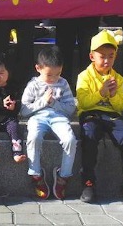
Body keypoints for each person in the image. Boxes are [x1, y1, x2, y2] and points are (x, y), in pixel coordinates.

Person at [76, 30, 123, 204]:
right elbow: (83, 103)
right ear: (92, 56)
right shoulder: (84, 77)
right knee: (89, 136)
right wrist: (101, 93)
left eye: (111, 56)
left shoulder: (118, 79)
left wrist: (114, 95)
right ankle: (88, 182)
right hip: (90, 114)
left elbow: (121, 106)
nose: (107, 61)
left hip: (112, 116)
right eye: (102, 56)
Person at [21, 45, 77, 201]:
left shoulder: (63, 83)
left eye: (58, 74)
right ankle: (36, 174)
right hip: (38, 117)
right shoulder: (33, 85)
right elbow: (24, 110)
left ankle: (63, 176)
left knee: (70, 140)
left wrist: (54, 103)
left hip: (59, 117)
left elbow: (70, 108)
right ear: (38, 68)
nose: (54, 79)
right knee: (34, 137)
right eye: (50, 75)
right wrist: (42, 102)